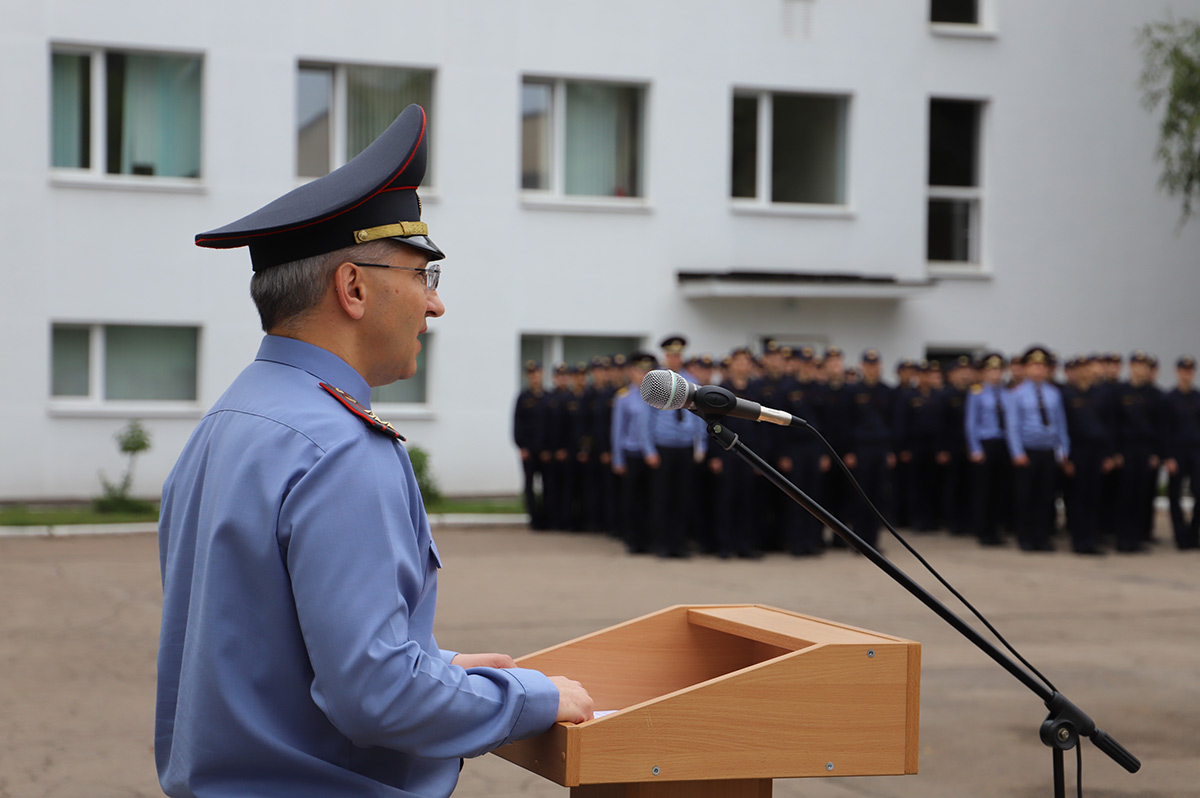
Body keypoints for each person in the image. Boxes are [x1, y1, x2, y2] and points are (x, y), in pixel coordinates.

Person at [156, 105, 592, 798]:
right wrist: (532, 699)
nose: (434, 305)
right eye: (424, 276)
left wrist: (436, 667)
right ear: (353, 288)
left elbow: (265, 648)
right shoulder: (338, 446)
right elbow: (375, 699)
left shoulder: (233, 420)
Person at [1003, 346, 1070, 552]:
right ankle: (1026, 538)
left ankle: (1042, 538)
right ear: (1025, 369)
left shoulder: (1053, 393)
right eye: (1033, 366)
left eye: (1041, 366)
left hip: (1048, 451)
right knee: (1025, 497)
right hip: (1027, 451)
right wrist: (1017, 452)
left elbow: (1060, 423)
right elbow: (1012, 426)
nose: (1037, 370)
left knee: (1046, 497)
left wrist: (1064, 449)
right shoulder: (1017, 393)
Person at [1164, 355, 1200, 549]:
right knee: (1174, 494)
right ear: (1177, 372)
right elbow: (1165, 430)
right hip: (1177, 452)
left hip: (1196, 451)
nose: (1187, 374)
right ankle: (1180, 537)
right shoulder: (1170, 399)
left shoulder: (1197, 397)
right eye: (1184, 370)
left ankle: (1193, 534)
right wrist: (1168, 456)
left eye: (1191, 370)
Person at [513, 360, 547, 529]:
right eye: (532, 375)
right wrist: (521, 446)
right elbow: (517, 423)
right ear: (528, 377)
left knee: (548, 484)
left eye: (537, 374)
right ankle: (534, 519)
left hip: (545, 451)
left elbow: (552, 425)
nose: (535, 378)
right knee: (529, 485)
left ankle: (546, 517)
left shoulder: (548, 397)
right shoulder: (523, 397)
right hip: (528, 449)